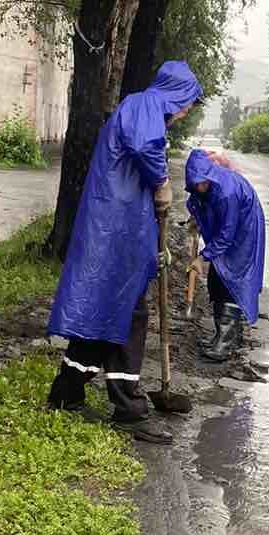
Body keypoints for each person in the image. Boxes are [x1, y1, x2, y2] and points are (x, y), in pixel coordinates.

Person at [46, 61, 202, 443]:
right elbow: (144, 145)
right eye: (188, 102)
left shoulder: (140, 107)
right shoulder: (146, 105)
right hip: (117, 228)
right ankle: (128, 409)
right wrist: (162, 181)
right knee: (129, 313)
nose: (186, 111)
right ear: (176, 94)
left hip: (118, 225)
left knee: (106, 311)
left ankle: (66, 392)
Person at [184, 148, 266, 362]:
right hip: (228, 227)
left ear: (209, 175)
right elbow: (200, 204)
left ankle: (226, 343)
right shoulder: (202, 189)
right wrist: (196, 219)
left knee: (231, 279)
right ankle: (225, 336)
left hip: (244, 229)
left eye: (203, 181)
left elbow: (227, 235)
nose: (200, 186)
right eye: (195, 183)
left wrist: (202, 257)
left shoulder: (226, 192)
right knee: (216, 278)